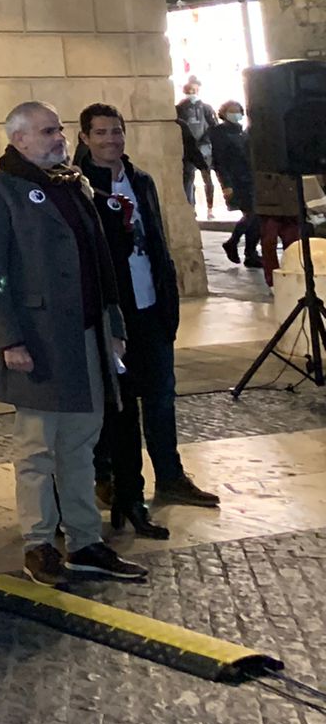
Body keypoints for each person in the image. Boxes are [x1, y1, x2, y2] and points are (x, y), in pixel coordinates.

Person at [0, 102, 144, 586]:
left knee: (81, 443)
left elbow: (101, 262)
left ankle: (86, 540)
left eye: (59, 130)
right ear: (19, 139)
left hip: (85, 337)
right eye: (48, 131)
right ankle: (39, 542)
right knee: (36, 448)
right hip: (38, 341)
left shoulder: (72, 186)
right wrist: (9, 339)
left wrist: (112, 324)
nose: (59, 137)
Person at [76, 104, 222, 539]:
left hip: (151, 306)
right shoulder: (82, 188)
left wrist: (169, 301)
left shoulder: (141, 181)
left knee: (160, 394)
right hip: (113, 312)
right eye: (100, 133)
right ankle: (116, 482)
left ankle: (171, 474)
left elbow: (157, 239)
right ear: (84, 138)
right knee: (116, 406)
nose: (110, 140)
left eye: (116, 132)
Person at [209, 101, 259, 266]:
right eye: (231, 111)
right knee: (251, 214)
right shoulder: (219, 133)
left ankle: (250, 252)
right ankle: (233, 242)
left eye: (238, 111)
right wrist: (226, 184)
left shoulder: (242, 132)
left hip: (250, 179)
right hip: (236, 181)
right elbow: (220, 162)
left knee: (255, 216)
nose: (235, 114)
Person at [176, 78, 217, 221]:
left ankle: (210, 208)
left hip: (204, 148)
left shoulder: (205, 107)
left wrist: (207, 143)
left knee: (207, 178)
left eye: (193, 90)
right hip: (188, 149)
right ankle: (190, 208)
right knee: (188, 178)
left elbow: (213, 126)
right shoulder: (179, 108)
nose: (191, 93)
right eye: (189, 90)